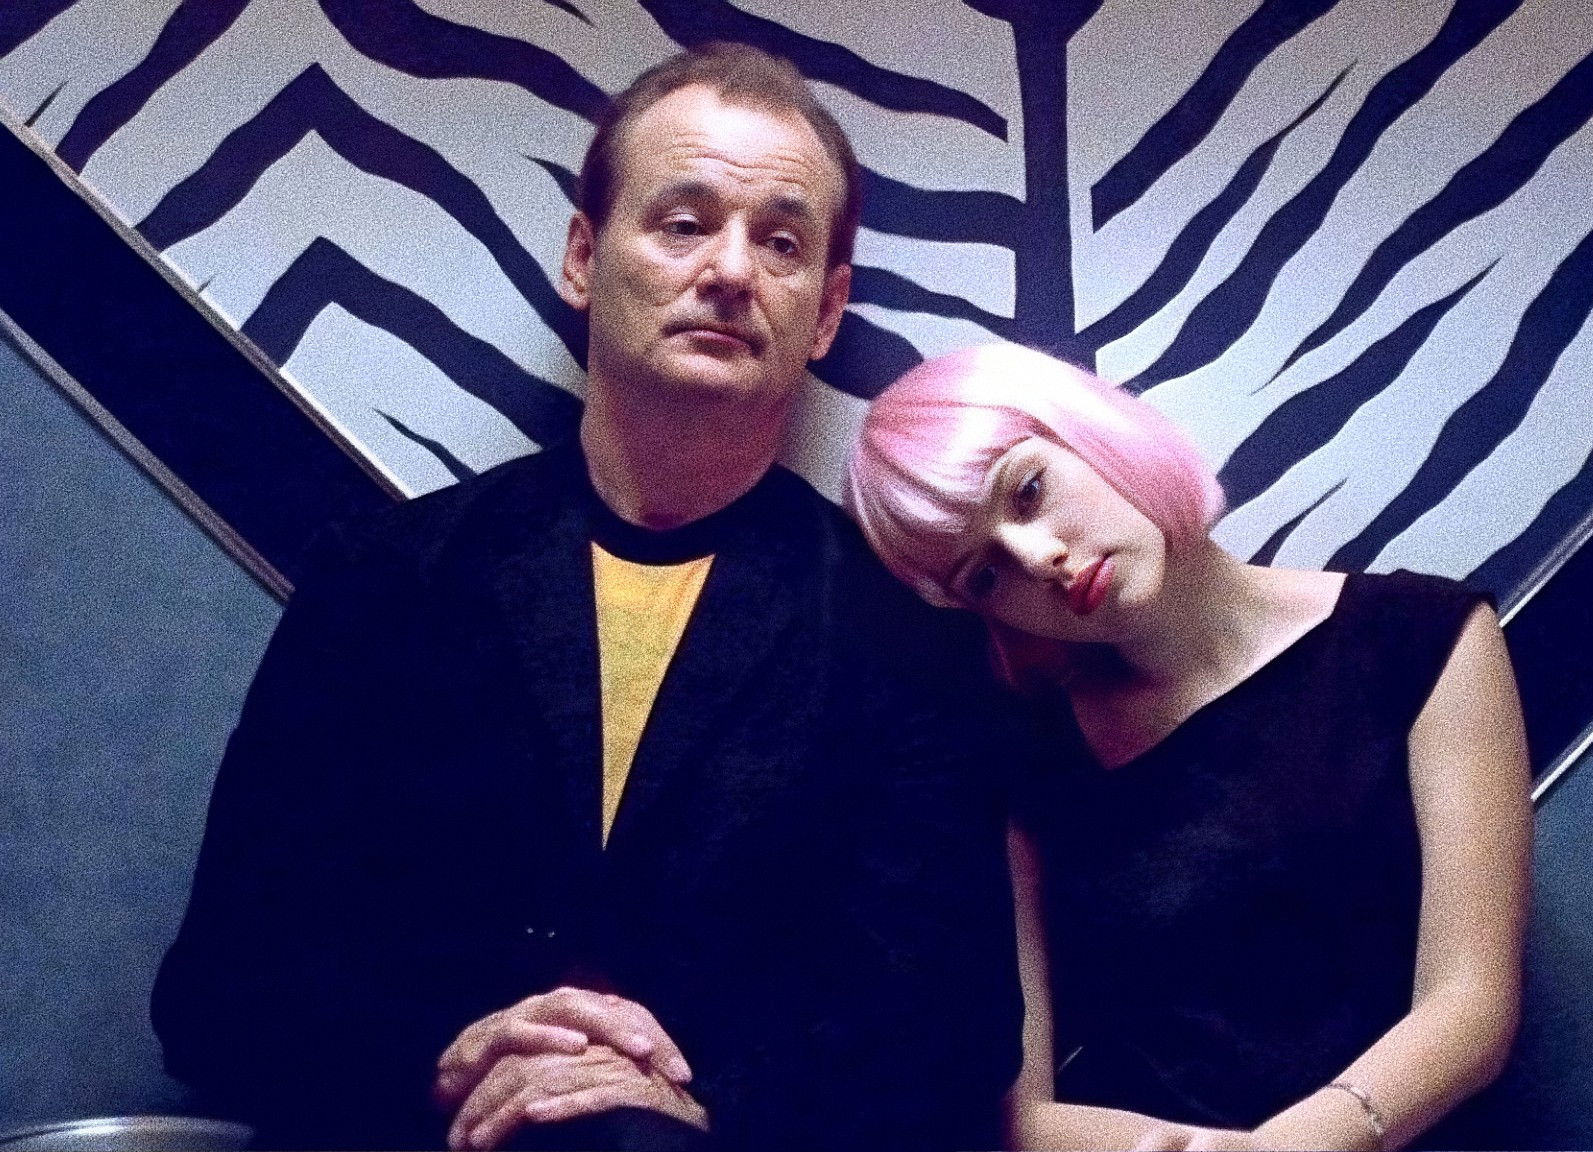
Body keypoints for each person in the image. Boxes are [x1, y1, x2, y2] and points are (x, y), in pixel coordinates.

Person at [152, 44, 1022, 1152]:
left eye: (781, 243)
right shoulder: (383, 580)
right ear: (582, 256)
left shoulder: (907, 641)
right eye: (683, 223)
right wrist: (446, 1056)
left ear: (826, 312)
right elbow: (216, 991)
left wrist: (696, 1102)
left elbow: (953, 1039)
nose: (730, 270)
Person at [843, 344, 1534, 1151]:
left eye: (1028, 491)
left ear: (1091, 431)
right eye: (985, 577)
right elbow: (1021, 1116)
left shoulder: (1421, 639)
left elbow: (1471, 1010)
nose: (1040, 560)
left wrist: (1281, 1149)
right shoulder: (1022, 763)